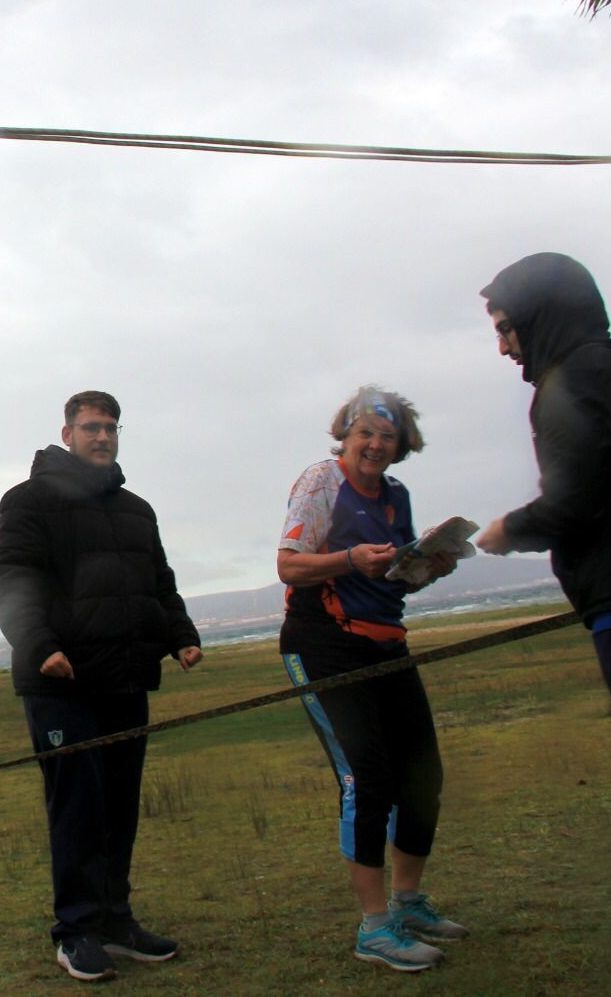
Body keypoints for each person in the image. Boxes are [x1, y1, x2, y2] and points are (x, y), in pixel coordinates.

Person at [474, 253, 611, 989]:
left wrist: (506, 529)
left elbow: (575, 500)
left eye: (506, 327)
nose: (503, 347)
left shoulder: (565, 385)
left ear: (539, 316)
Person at [0, 390, 202, 983]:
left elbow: (159, 583)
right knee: (77, 809)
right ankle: (75, 931)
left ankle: (116, 920)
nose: (103, 436)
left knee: (118, 809)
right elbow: (12, 580)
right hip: (61, 684)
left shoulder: (136, 509)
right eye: (91, 427)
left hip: (124, 678)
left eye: (111, 427)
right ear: (66, 433)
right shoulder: (29, 501)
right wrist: (41, 647)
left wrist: (180, 634)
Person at [275, 386, 466, 973]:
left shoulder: (395, 495)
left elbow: (395, 581)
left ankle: (409, 904)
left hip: (385, 641)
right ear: (346, 435)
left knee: (422, 776)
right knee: (368, 778)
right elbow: (288, 564)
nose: (376, 445)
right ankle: (375, 928)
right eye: (366, 433)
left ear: (400, 445)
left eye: (388, 436)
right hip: (323, 644)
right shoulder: (320, 482)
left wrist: (426, 568)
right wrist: (351, 560)